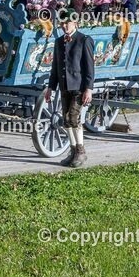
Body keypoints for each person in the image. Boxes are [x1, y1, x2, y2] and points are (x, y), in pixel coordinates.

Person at [44, 9, 95, 168]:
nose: (65, 26)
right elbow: (55, 67)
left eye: (68, 23)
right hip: (64, 85)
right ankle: (73, 151)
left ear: (75, 23)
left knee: (73, 118)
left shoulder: (84, 40)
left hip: (79, 86)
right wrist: (50, 87)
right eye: (62, 23)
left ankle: (81, 151)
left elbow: (89, 67)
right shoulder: (59, 42)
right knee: (66, 120)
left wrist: (89, 88)